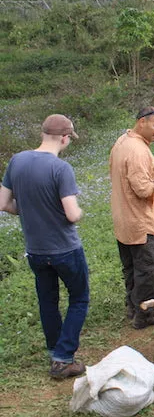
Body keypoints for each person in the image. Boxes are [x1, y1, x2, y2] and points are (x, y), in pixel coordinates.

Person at [0, 115, 90, 379]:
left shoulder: (17, 161)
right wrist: (80, 212)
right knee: (79, 298)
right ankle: (63, 359)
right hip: (64, 248)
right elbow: (71, 214)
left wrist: (29, 210)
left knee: (47, 301)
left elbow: (4, 203)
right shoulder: (61, 169)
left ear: (43, 134)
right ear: (64, 138)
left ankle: (56, 351)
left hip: (36, 251)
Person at [109, 107, 154, 329]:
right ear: (142, 122)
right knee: (148, 269)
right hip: (141, 222)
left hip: (123, 220)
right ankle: (146, 314)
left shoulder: (122, 141)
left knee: (131, 268)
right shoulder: (138, 151)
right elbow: (143, 189)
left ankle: (133, 307)